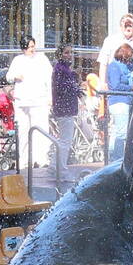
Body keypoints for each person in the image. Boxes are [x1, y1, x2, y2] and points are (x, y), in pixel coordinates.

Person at [6, 35, 53, 171]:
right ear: (23, 48)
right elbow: (9, 76)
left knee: (41, 130)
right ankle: (24, 159)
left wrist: (50, 97)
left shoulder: (42, 59)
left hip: (39, 99)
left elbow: (49, 79)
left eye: (33, 46)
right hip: (22, 100)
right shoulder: (18, 60)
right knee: (23, 130)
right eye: (29, 47)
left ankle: (41, 158)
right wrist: (15, 77)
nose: (32, 49)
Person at [51, 43, 83, 172]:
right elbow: (62, 88)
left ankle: (55, 166)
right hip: (64, 109)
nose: (70, 55)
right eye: (66, 52)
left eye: (71, 52)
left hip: (65, 108)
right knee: (66, 140)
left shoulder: (64, 69)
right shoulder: (60, 69)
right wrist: (74, 80)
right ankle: (61, 168)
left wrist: (74, 76)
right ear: (60, 54)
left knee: (64, 139)